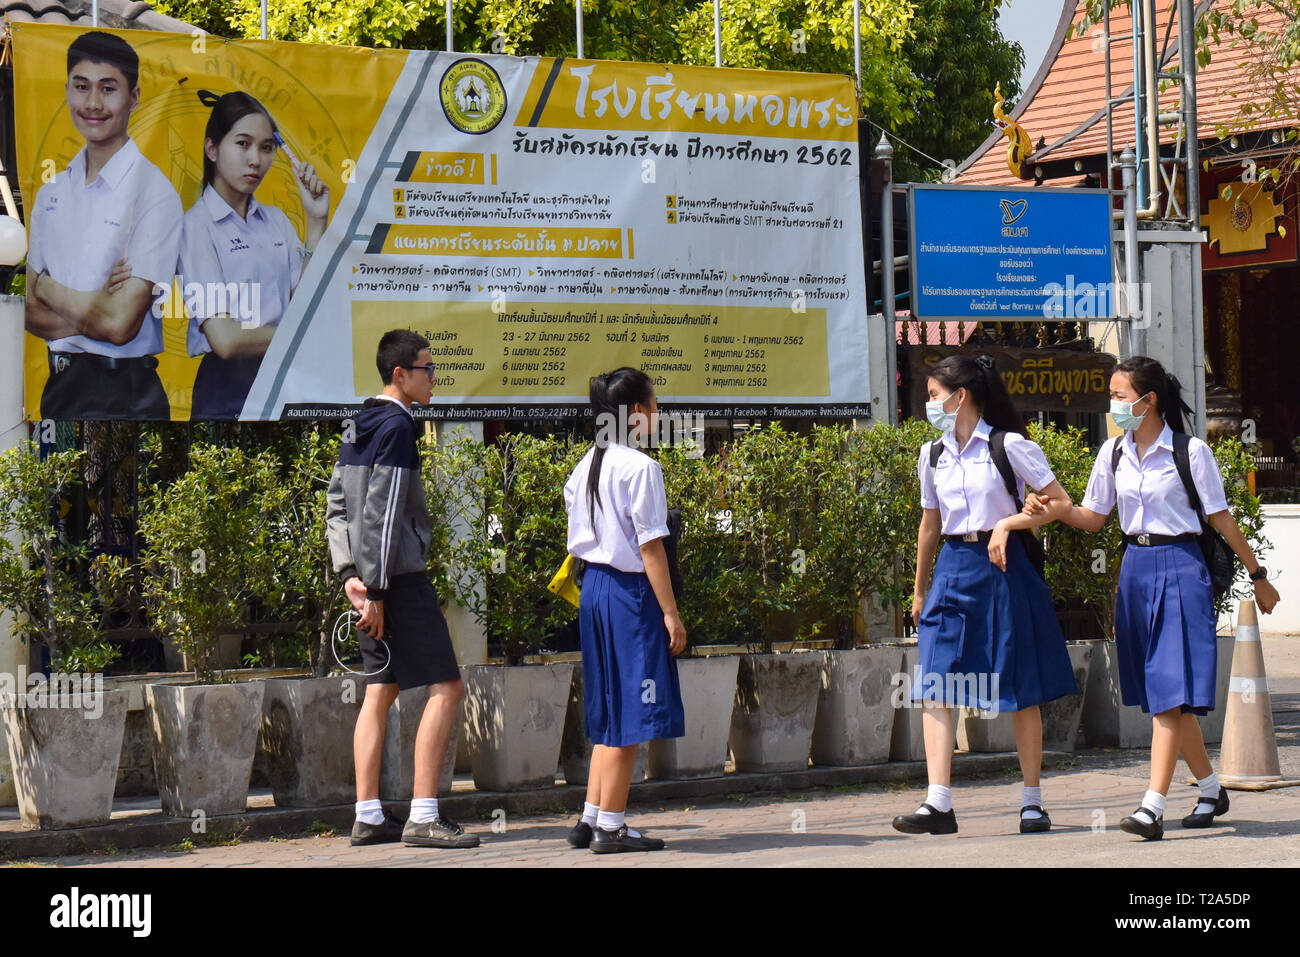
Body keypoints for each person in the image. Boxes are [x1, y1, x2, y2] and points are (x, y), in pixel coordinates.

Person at [1023, 355, 1282, 840]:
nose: (1112, 405)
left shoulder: (1190, 452)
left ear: (1148, 400)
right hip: (1135, 571)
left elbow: (1221, 519)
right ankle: (1210, 788)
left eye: (1119, 396)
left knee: (1169, 692)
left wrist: (1258, 573)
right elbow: (1094, 516)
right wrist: (1051, 509)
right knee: (1163, 696)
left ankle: (1152, 806)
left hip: (1182, 568)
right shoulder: (1113, 453)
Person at [895, 353, 1079, 836]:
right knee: (936, 681)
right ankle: (938, 803)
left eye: (934, 396)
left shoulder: (1009, 445)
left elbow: (1060, 503)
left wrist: (1010, 522)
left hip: (1004, 566)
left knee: (1020, 686)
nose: (929, 405)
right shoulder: (931, 454)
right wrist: (919, 590)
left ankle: (1033, 801)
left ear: (961, 395)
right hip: (953, 569)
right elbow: (929, 524)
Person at [326, 329, 479, 849]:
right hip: (399, 583)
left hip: (368, 583)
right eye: (428, 369)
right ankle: (423, 815)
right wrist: (380, 592)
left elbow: (338, 508)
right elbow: (383, 514)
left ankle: (368, 816)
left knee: (380, 691)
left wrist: (350, 576)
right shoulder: (397, 425)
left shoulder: (356, 422)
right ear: (401, 374)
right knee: (447, 688)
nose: (434, 378)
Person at [24, 30, 182, 420]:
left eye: (108, 89)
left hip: (126, 394)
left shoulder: (155, 193)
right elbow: (29, 313)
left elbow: (119, 324)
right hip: (59, 387)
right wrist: (97, 302)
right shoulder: (52, 193)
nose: (93, 103)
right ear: (67, 91)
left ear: (134, 96)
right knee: (57, 483)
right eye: (82, 87)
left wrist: (47, 286)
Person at [562, 367, 686, 853]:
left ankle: (591, 816)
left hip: (593, 590)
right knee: (633, 706)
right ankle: (611, 826)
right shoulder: (639, 467)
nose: (657, 414)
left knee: (610, 704)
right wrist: (671, 613)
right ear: (636, 411)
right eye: (654, 406)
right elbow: (651, 548)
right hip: (629, 593)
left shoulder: (587, 463)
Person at [180, 90, 329, 420]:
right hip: (226, 390)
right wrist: (298, 335)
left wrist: (316, 222)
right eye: (243, 143)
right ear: (212, 149)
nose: (256, 160)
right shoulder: (197, 226)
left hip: (284, 381)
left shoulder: (276, 220)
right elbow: (226, 340)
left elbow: (307, 307)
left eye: (266, 148)